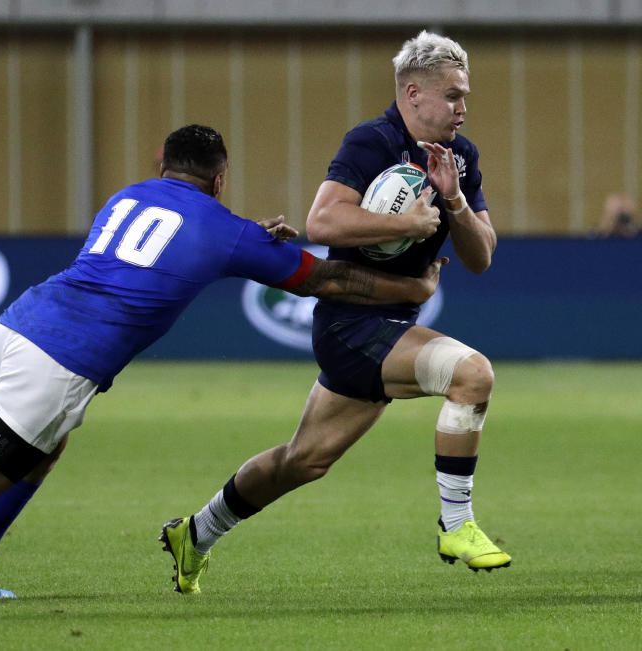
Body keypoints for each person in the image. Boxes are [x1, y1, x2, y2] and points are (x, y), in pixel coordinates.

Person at [0, 124, 445, 599]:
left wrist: (247, 236)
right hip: (61, 360)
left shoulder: (127, 197)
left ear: (161, 166)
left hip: (22, 323)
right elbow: (327, 278)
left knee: (44, 450)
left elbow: (168, 250)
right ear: (222, 180)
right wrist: (410, 283)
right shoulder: (224, 228)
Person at [161, 31, 510, 595]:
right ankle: (457, 524)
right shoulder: (371, 143)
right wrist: (407, 225)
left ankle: (194, 534)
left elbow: (482, 257)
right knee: (472, 374)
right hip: (352, 325)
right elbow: (322, 222)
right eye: (452, 96)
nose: (462, 107)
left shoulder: (462, 158)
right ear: (412, 93)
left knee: (304, 460)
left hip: (389, 326)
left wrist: (454, 200)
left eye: (465, 95)